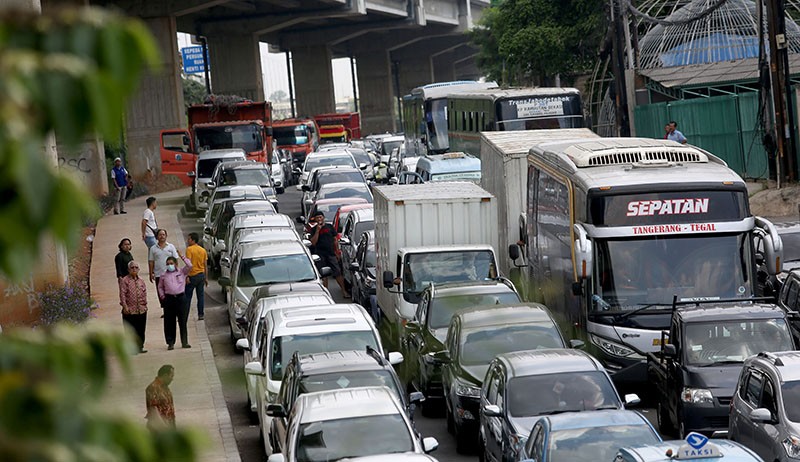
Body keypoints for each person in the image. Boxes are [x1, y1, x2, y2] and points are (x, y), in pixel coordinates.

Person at [308, 211, 350, 298]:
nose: (319, 219)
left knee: (337, 272)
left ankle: (344, 291)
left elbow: (335, 239)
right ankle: (326, 294)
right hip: (320, 254)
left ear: (323, 218)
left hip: (330, 253)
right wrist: (318, 231)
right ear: (315, 219)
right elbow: (313, 242)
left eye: (320, 217)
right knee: (324, 274)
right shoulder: (313, 229)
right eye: (317, 218)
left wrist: (337, 251)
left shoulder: (329, 227)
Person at [157, 253, 192, 350]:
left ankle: (184, 342)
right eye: (168, 264)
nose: (169, 265)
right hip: (169, 299)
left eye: (171, 263)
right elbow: (160, 287)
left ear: (176, 264)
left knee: (183, 321)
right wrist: (162, 296)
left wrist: (182, 257)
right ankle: (170, 342)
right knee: (169, 321)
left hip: (181, 298)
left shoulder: (182, 272)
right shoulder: (163, 275)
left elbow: (190, 266)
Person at [119, 260, 148, 354]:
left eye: (136, 267)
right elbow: (122, 294)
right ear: (128, 270)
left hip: (141, 310)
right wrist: (125, 306)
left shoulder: (141, 281)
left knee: (141, 330)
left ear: (139, 269)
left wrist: (145, 305)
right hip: (130, 310)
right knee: (130, 331)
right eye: (132, 268)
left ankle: (140, 347)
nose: (134, 269)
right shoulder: (125, 281)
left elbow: (144, 293)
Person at [184, 232, 208, 320]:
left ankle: (185, 314)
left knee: (187, 297)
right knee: (200, 296)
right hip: (201, 275)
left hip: (192, 275)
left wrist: (186, 276)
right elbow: (205, 265)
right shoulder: (203, 250)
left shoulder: (189, 250)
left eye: (189, 239)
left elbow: (188, 264)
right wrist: (206, 277)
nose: (188, 240)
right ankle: (201, 314)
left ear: (193, 240)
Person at [145, 364, 175, 429]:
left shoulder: (165, 388)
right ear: (165, 375)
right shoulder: (153, 388)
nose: (172, 379)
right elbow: (153, 410)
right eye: (171, 376)